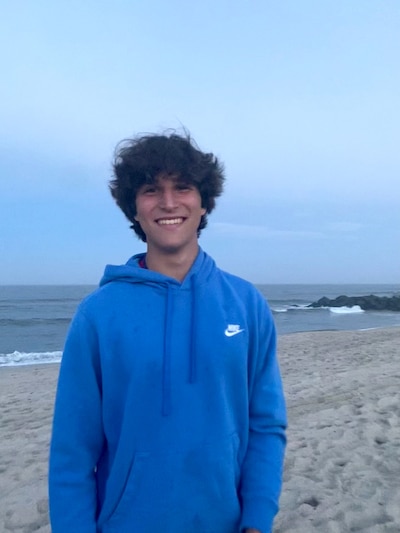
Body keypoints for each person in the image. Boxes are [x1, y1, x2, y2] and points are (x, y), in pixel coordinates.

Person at [49, 131, 287, 533]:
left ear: (204, 202)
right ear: (134, 209)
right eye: (150, 190)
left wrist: (257, 520)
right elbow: (72, 452)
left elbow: (266, 425)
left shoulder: (246, 304)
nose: (169, 202)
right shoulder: (98, 314)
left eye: (183, 187)